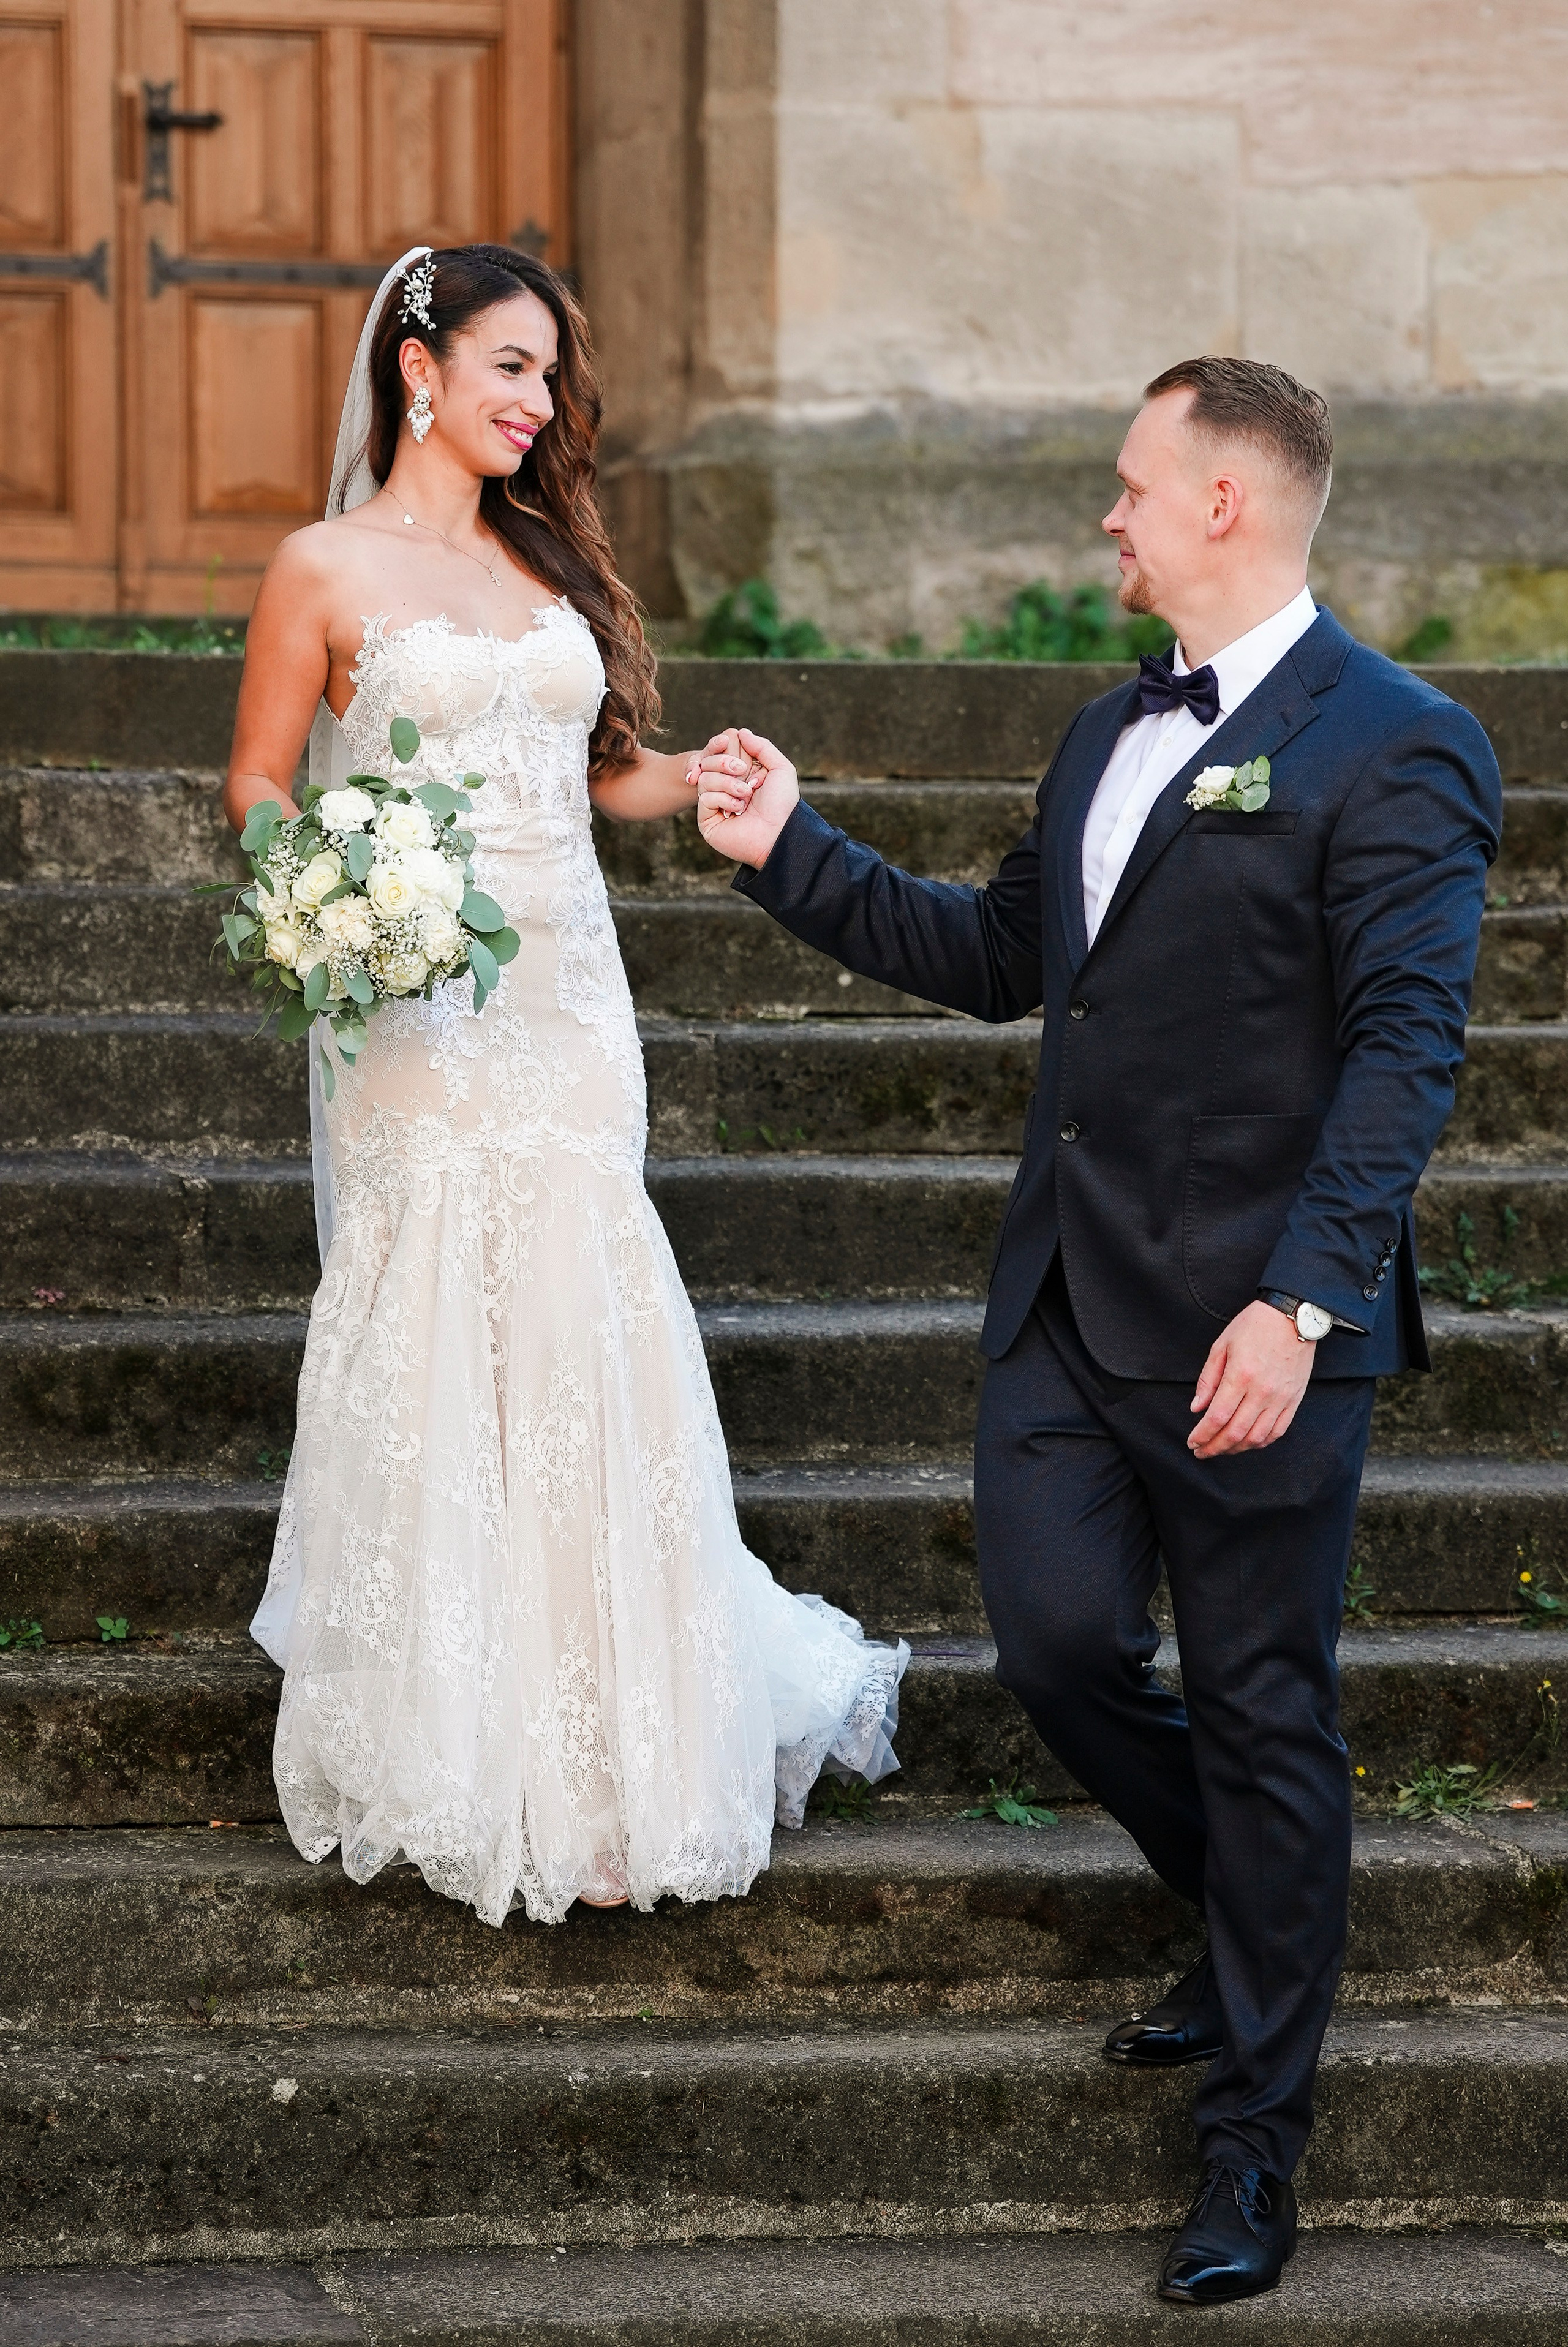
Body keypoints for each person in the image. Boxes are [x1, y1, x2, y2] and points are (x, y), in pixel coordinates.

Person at [692, 356, 1501, 2307]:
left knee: (1263, 1708)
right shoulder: (1101, 734)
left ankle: (1252, 2141)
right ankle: (1259, 1926)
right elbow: (997, 957)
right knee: (1057, 1650)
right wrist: (791, 849)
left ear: (1227, 500)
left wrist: (1303, 1301)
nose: (1108, 516)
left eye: (1133, 485)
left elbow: (1408, 1054)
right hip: (1067, 1304)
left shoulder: (1402, 743)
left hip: (1251, 1325)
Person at [229, 242, 905, 1929]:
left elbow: (596, 777)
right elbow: (252, 781)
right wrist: (327, 884)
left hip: (568, 1005)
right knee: (444, 1322)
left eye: (551, 380)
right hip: (414, 1004)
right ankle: (453, 1752)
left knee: (581, 1317)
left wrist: (703, 777)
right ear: (420, 368)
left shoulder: (547, 577)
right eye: (513, 369)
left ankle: (613, 1774)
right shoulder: (320, 568)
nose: (539, 406)